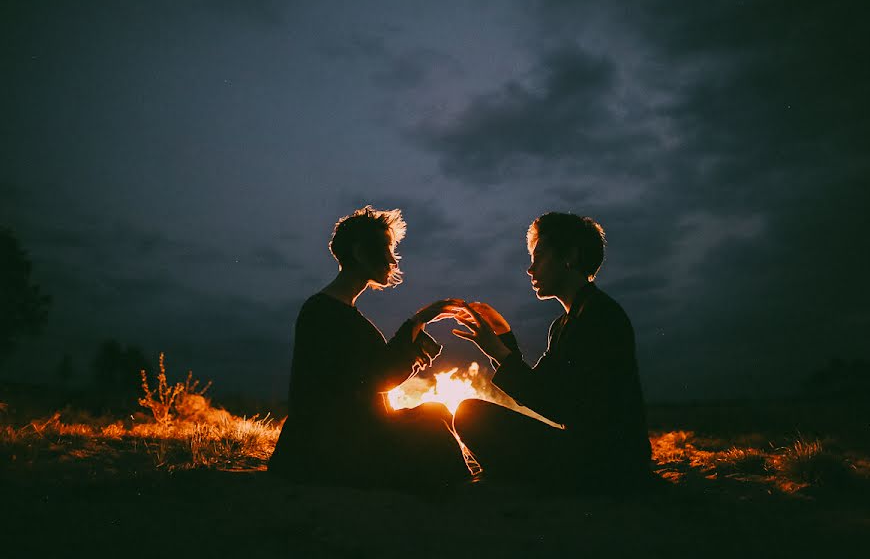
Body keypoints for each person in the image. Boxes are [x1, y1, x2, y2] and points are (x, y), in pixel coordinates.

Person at [268, 206, 468, 489]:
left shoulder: (335, 311)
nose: (392, 260)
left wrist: (418, 324)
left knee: (435, 414)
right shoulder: (323, 312)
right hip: (332, 448)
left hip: (343, 439)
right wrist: (418, 321)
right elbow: (378, 377)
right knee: (432, 425)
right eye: (386, 249)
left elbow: (375, 373)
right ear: (361, 252)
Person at [452, 212, 651, 493]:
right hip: (594, 456)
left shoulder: (600, 316)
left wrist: (497, 349)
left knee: (470, 414)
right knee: (470, 414)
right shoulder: (565, 323)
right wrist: (502, 338)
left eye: (539, 256)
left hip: (608, 463)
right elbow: (539, 388)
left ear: (569, 256)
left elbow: (553, 403)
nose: (530, 270)